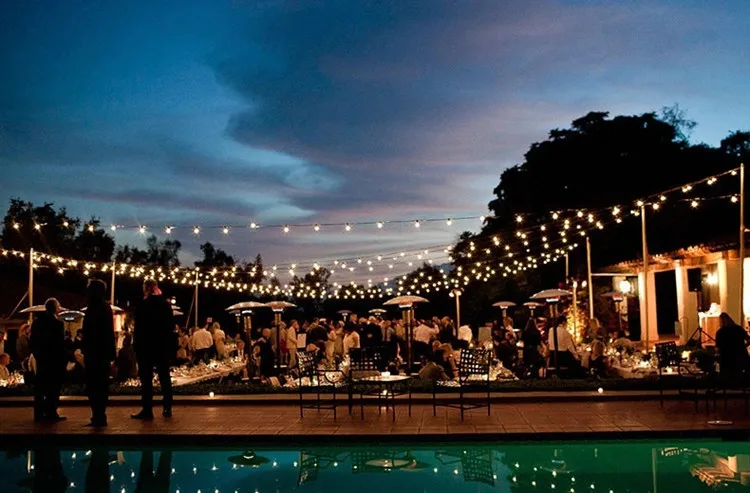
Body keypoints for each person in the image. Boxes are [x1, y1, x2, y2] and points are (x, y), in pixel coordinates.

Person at [132, 279, 175, 420]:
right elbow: (171, 327)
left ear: (145, 288)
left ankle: (147, 409)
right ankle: (167, 407)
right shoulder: (165, 305)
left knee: (146, 380)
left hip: (146, 346)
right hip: (162, 346)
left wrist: (136, 346)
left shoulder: (142, 305)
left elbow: (138, 329)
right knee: (165, 377)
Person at [81, 280, 116, 427]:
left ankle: (98, 415)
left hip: (94, 353)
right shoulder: (105, 307)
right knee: (100, 386)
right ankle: (99, 415)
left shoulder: (94, 308)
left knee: (94, 386)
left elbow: (91, 332)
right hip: (102, 353)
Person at [29, 298, 66, 422]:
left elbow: (32, 341)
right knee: (53, 388)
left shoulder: (37, 323)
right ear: (55, 309)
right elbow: (59, 344)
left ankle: (38, 413)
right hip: (54, 360)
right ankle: (51, 412)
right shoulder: (58, 324)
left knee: (40, 388)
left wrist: (37, 354)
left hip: (42, 359)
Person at [715, 312, 750, 379]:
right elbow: (749, 339)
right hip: (740, 356)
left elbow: (717, 348)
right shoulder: (739, 329)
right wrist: (743, 346)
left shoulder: (720, 332)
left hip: (726, 358)